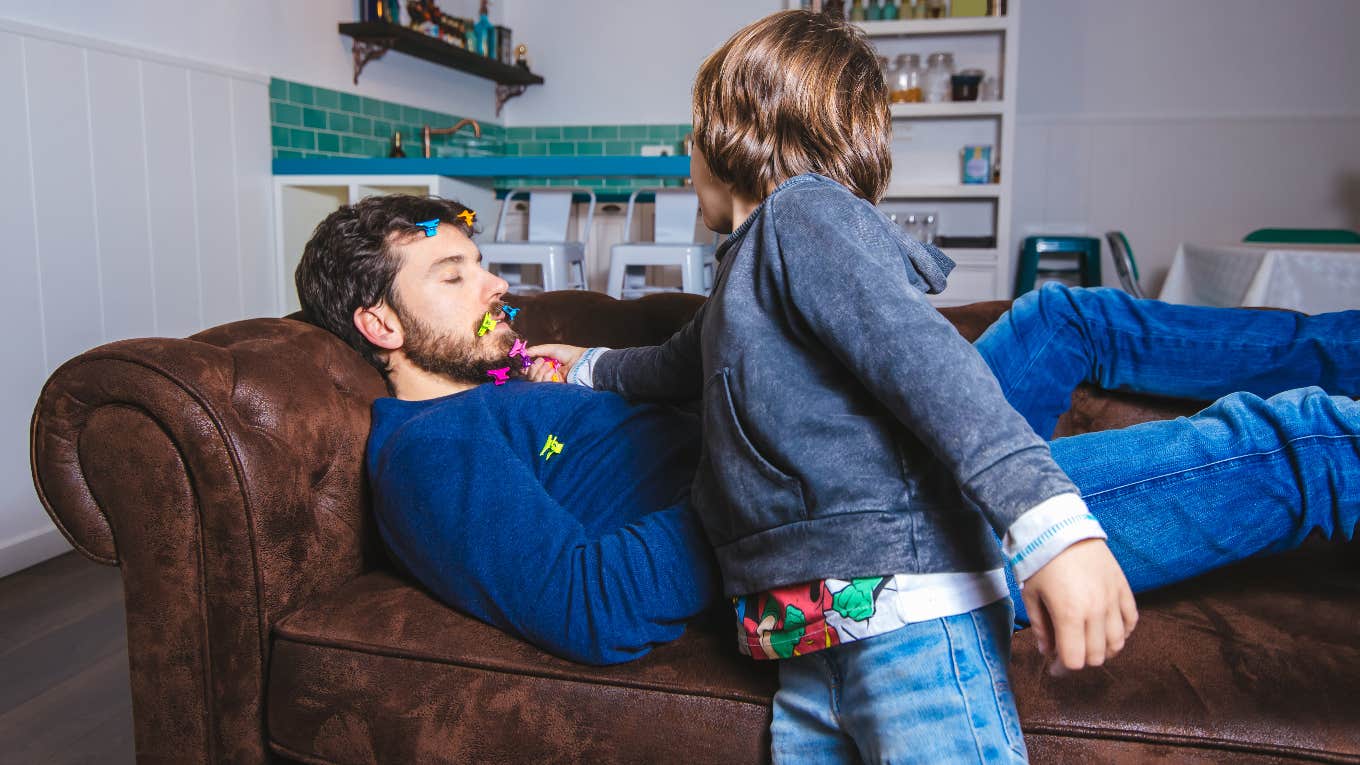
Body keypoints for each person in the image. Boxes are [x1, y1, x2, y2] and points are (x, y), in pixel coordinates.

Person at [295, 192, 1359, 762]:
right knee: (1298, 443)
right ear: (380, 323)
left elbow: (658, 387)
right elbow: (594, 605)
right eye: (454, 276)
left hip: (844, 459)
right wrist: (769, 464)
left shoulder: (509, 385)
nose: (495, 286)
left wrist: (610, 371)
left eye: (482, 263)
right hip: (849, 521)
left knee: (1061, 317)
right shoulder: (425, 456)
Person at [535, 11, 1128, 762]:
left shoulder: (802, 216)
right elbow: (671, 364)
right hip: (806, 635)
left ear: (733, 132)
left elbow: (931, 365)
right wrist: (580, 363)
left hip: (907, 613)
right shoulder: (741, 275)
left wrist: (1048, 525)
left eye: (693, 132)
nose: (688, 156)